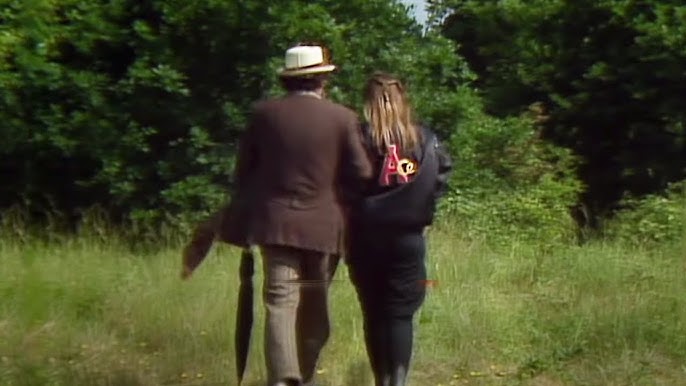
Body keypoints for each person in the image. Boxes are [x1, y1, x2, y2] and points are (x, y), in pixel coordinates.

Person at [230, 44, 372, 386]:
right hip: (324, 230)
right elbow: (363, 173)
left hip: (275, 226)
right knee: (314, 303)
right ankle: (303, 374)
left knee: (280, 303)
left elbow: (243, 172)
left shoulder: (263, 115)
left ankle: (284, 379)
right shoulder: (343, 118)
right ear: (323, 79)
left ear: (287, 80)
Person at [345, 72, 453, 386]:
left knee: (374, 312)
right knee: (400, 314)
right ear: (403, 99)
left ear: (368, 103)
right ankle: (399, 381)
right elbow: (441, 176)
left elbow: (342, 184)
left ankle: (381, 380)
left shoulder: (357, 140)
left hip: (364, 240)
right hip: (407, 238)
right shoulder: (425, 140)